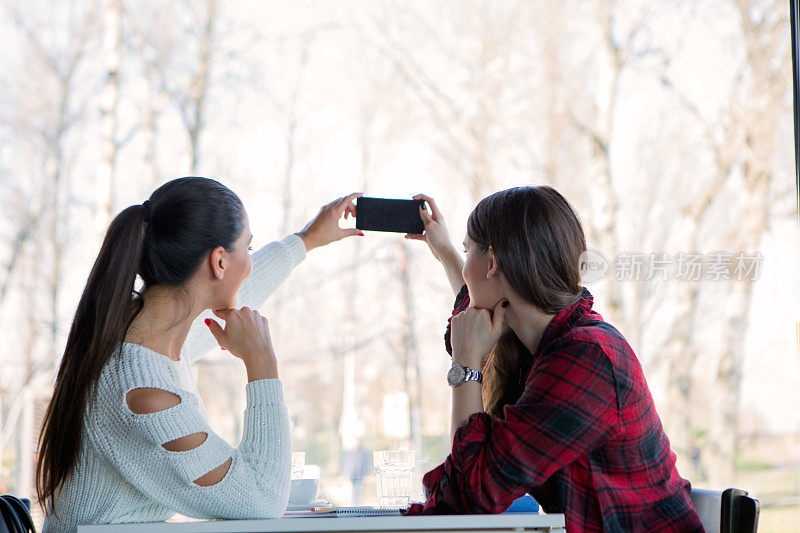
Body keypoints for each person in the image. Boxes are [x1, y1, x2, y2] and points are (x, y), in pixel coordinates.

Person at [36, 177, 363, 532]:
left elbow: (244, 285)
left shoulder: (135, 335)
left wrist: (307, 240)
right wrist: (262, 366)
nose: (249, 262)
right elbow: (263, 498)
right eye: (248, 250)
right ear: (219, 262)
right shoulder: (145, 395)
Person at [405, 187, 703, 532]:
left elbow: (468, 496)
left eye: (467, 250)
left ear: (493, 263)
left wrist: (465, 366)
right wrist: (445, 253)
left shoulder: (587, 359)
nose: (465, 263)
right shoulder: (546, 346)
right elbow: (478, 307)